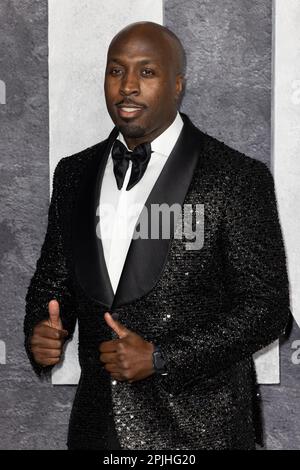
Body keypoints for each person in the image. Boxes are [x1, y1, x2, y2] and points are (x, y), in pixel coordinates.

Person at [24, 21, 291, 450]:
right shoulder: (73, 173)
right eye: (116, 71)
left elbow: (268, 310)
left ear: (177, 85)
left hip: (201, 433)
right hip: (98, 429)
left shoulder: (237, 177)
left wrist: (161, 357)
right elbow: (53, 282)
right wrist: (41, 331)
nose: (127, 86)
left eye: (147, 72)